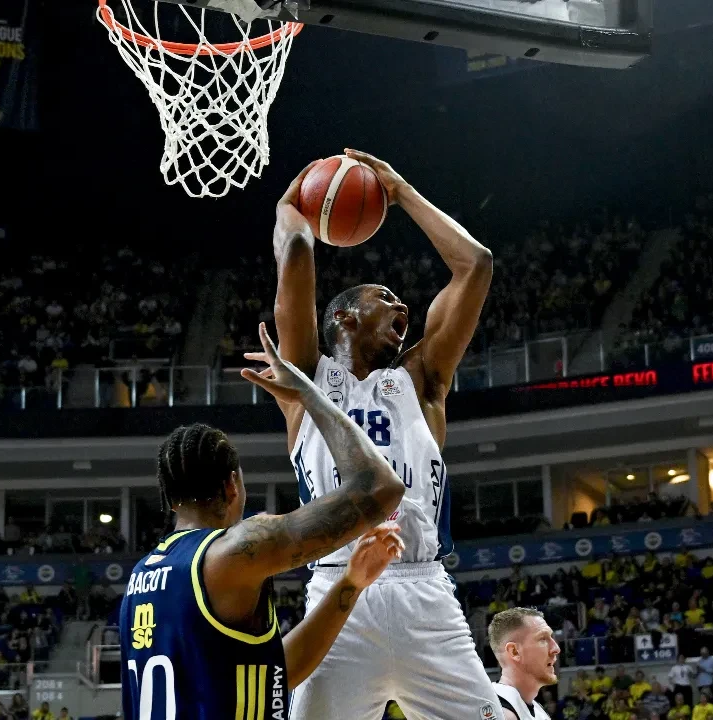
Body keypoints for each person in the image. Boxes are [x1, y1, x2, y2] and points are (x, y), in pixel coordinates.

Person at [271, 151, 498, 719]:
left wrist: (400, 191)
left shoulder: (421, 381)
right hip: (338, 591)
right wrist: (290, 209)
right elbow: (297, 253)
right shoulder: (306, 379)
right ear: (344, 317)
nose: (403, 305)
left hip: (426, 594)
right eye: (385, 298)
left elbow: (475, 265)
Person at [118, 323, 408, 720]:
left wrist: (350, 584)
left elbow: (273, 674)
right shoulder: (236, 551)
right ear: (232, 485)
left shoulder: (141, 577)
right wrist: (310, 393)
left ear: (170, 500)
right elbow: (381, 487)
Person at [488, 607, 560, 720]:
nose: (556, 648)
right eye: (543, 639)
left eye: (551, 638)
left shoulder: (537, 709)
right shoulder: (502, 713)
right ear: (514, 651)